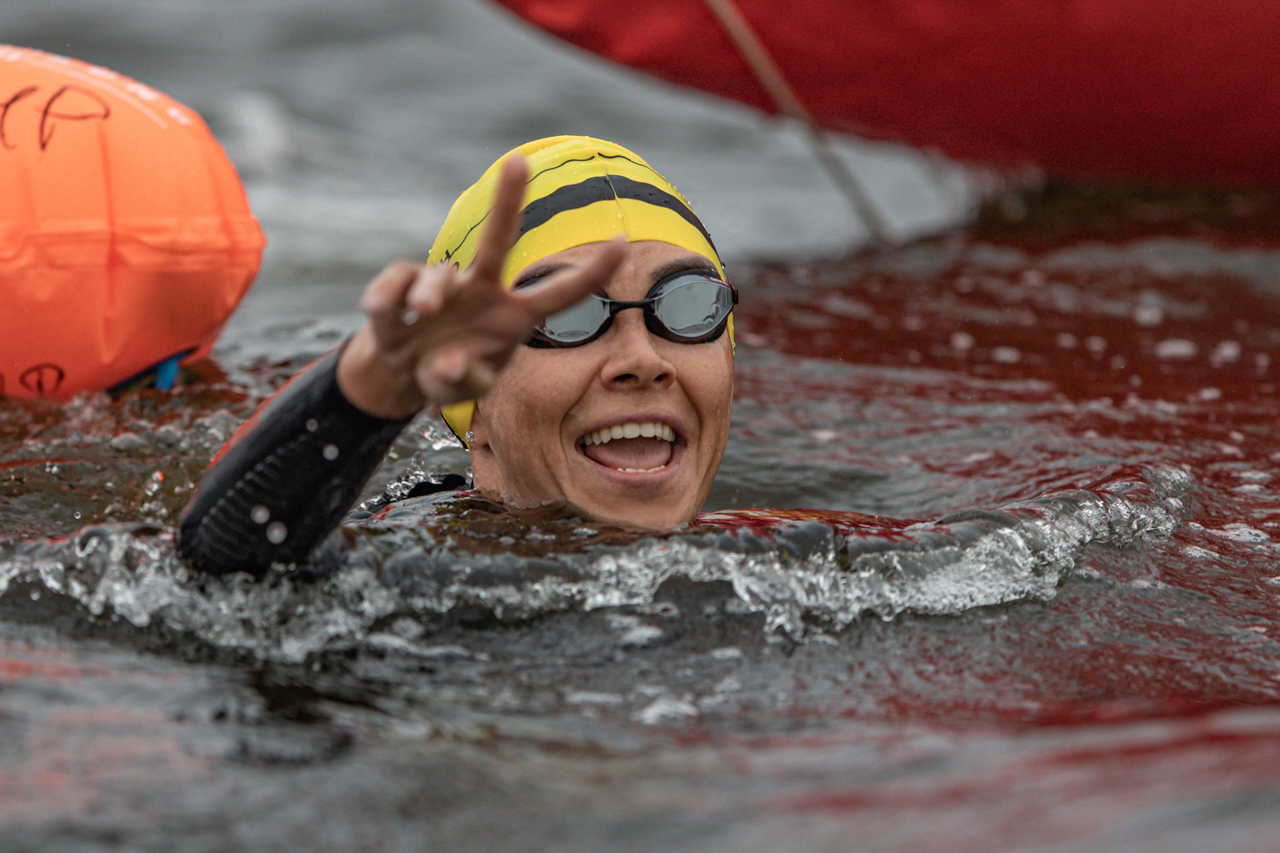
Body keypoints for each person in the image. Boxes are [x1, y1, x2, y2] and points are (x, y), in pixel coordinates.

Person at [178, 136, 738, 577]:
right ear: (477, 403)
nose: (642, 358)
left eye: (689, 305)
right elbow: (219, 574)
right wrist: (369, 394)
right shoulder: (407, 570)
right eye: (569, 316)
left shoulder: (787, 558)